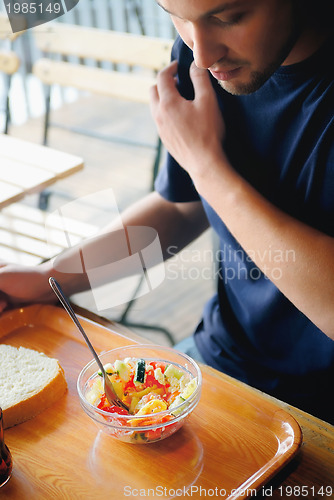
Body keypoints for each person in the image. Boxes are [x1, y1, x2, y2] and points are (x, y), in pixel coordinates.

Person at [1, 0, 334, 423]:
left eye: (228, 17)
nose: (200, 53)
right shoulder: (205, 57)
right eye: (174, 15)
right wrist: (51, 278)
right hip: (221, 360)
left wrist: (207, 167)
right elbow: (182, 207)